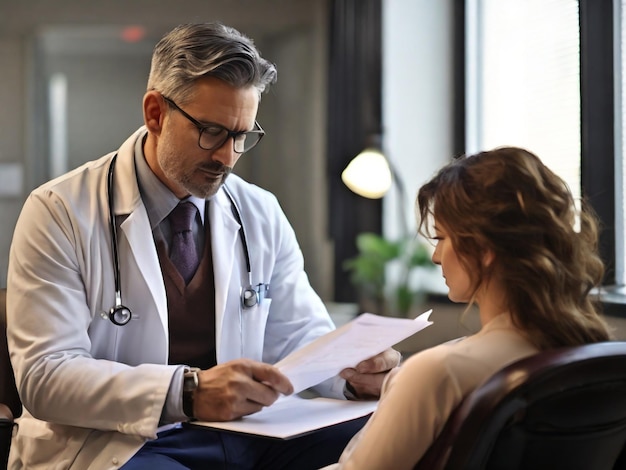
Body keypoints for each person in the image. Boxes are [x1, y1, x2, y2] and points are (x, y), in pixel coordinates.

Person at [6, 22, 400, 469]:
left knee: (385, 438)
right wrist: (187, 393)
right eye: (212, 132)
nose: (227, 158)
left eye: (241, 136)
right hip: (123, 441)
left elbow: (297, 335)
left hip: (248, 432)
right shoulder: (59, 211)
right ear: (155, 113)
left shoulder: (259, 211)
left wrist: (351, 372)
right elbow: (45, 377)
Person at [322, 146, 613, 470]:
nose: (435, 256)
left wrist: (409, 386)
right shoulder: (595, 354)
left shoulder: (437, 373)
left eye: (442, 237)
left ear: (484, 249)